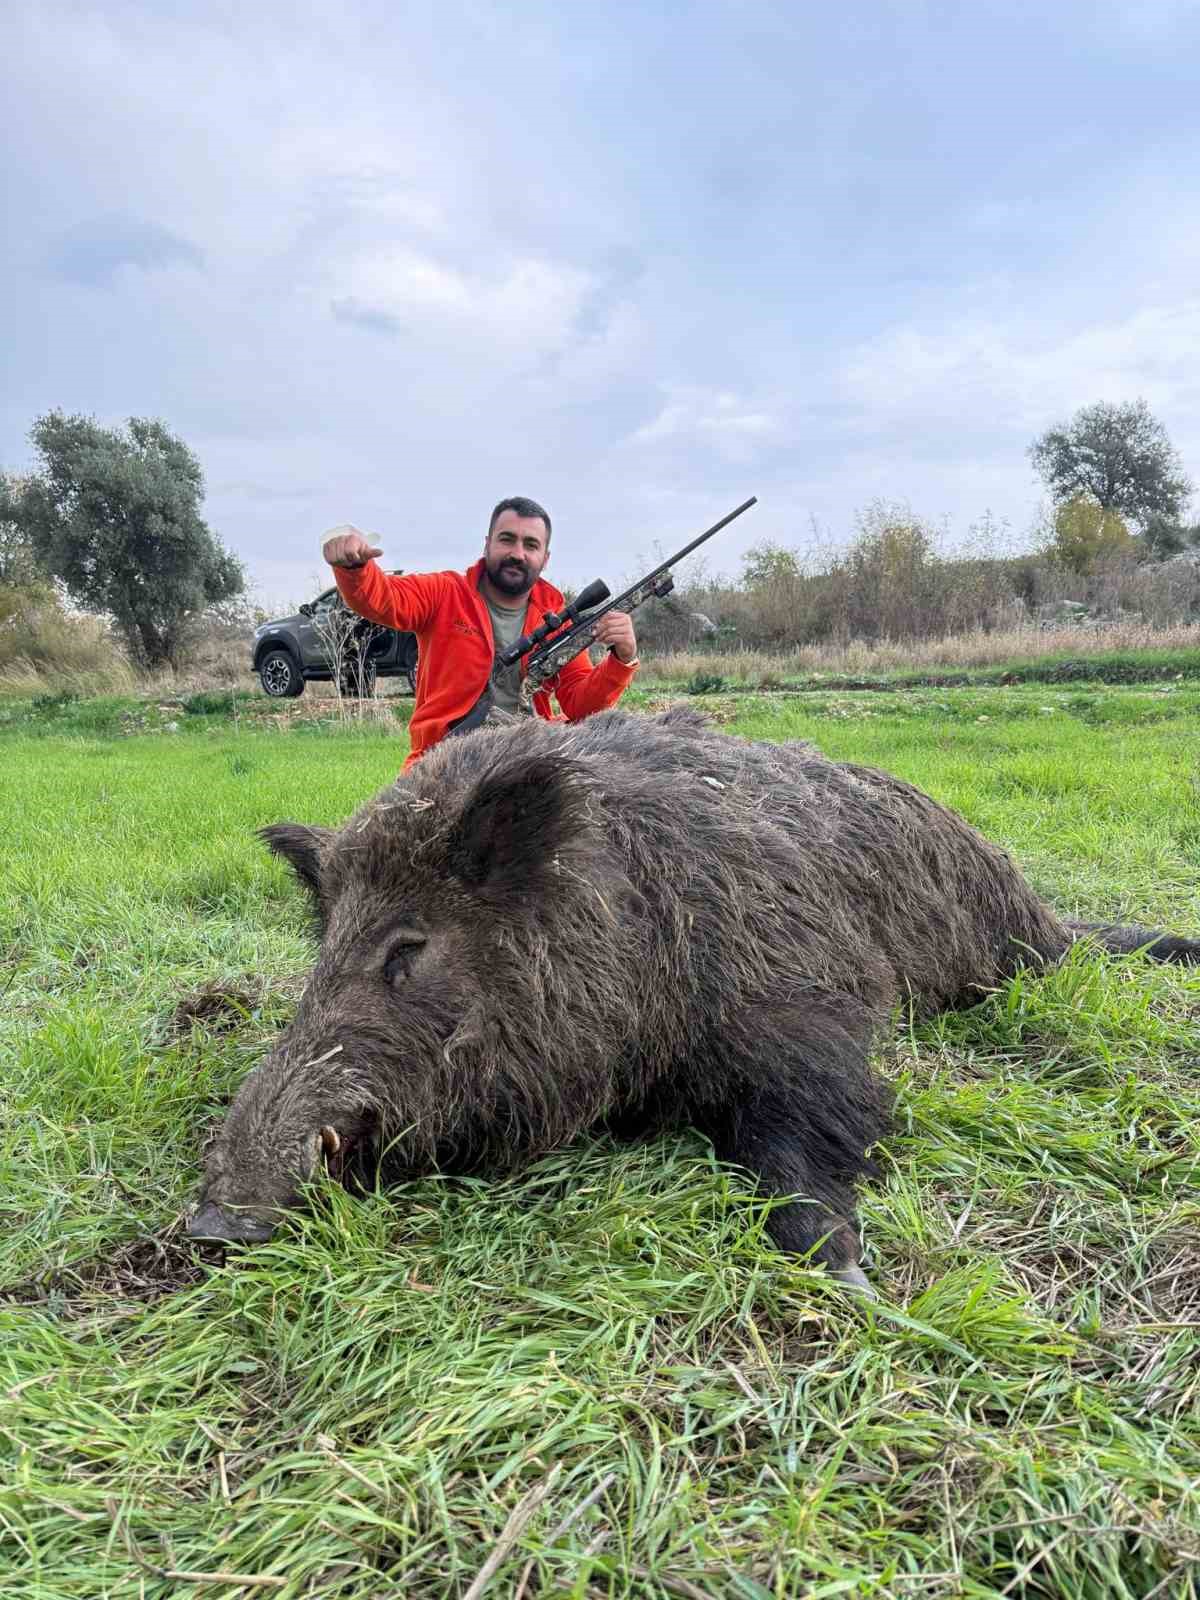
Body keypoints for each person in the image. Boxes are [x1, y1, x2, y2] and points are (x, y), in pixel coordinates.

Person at [322, 496, 639, 768]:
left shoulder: (557, 617)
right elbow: (384, 599)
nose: (518, 553)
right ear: (487, 544)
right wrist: (354, 569)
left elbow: (580, 706)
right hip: (444, 761)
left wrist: (621, 660)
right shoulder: (445, 593)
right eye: (507, 539)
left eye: (531, 545)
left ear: (545, 559)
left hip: (529, 758)